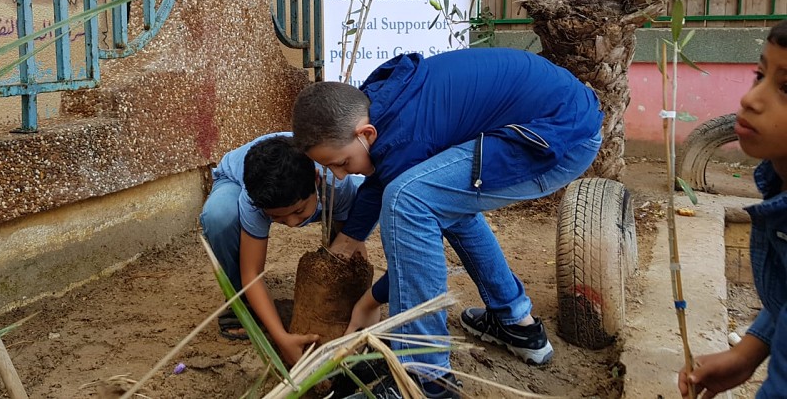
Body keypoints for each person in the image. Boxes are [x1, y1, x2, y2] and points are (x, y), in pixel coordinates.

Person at [291, 48, 603, 390]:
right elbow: (383, 174)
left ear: (365, 134)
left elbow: (411, 253)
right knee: (438, 195)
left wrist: (369, 301)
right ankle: (516, 322)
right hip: (556, 115)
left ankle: (426, 377)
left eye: (341, 164)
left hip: (558, 136)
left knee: (408, 201)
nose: (338, 176)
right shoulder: (381, 107)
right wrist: (348, 241)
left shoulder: (408, 135)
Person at [678, 21, 787, 399]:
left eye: (786, 89)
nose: (751, 99)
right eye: (760, 75)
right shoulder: (776, 185)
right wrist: (749, 351)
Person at [200, 133, 364, 365]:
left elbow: (354, 246)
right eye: (277, 217)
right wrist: (281, 338)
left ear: (316, 180)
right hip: (234, 181)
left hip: (314, 188)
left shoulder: (335, 180)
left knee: (360, 210)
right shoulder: (253, 197)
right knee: (220, 215)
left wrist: (361, 305)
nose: (292, 223)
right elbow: (252, 273)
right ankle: (243, 305)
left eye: (298, 212)